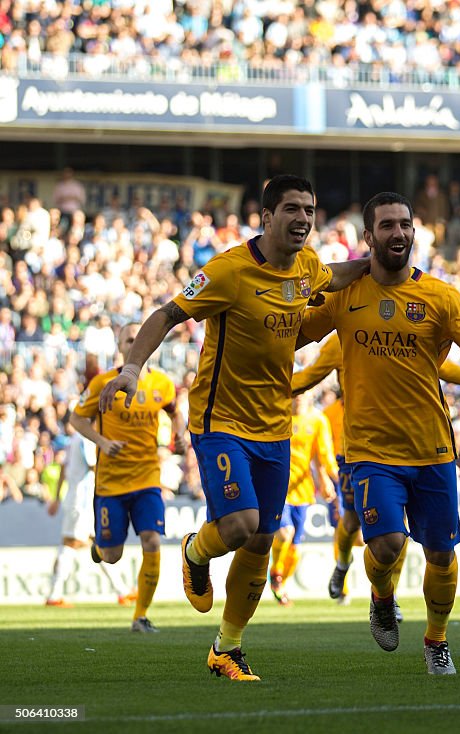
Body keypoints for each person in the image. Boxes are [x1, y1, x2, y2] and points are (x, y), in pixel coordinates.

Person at [98, 174, 370, 681]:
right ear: (266, 217)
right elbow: (166, 314)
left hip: (275, 425)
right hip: (220, 418)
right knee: (243, 523)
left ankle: (227, 648)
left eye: (309, 210)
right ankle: (195, 549)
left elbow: (332, 274)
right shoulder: (227, 271)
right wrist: (133, 369)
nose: (303, 219)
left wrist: (376, 264)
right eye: (292, 209)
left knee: (262, 540)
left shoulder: (307, 266)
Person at [297, 191, 460, 675]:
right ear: (367, 237)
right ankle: (381, 597)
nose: (399, 233)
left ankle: (436, 640)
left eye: (405, 225)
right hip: (371, 450)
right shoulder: (343, 295)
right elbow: (293, 334)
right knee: (387, 545)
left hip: (433, 449)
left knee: (440, 552)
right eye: (388, 225)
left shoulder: (440, 296)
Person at [291, 332, 460, 606]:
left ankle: (389, 596)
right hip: (356, 445)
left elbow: (439, 367)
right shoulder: (340, 339)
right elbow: (308, 377)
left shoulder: (394, 330)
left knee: (398, 528)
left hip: (402, 445)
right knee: (353, 519)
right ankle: (342, 565)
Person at [70, 323, 184, 632]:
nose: (135, 343)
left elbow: (175, 414)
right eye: (129, 339)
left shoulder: (163, 384)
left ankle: (140, 616)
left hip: (148, 476)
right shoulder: (103, 383)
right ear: (120, 346)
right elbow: (76, 418)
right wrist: (103, 443)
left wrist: (172, 442)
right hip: (111, 481)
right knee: (112, 556)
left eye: (138, 338)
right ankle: (99, 547)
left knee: (152, 540)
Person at [44, 427, 136, 608]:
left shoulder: (73, 440)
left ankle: (122, 591)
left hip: (77, 499)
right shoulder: (85, 439)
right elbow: (95, 464)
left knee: (99, 543)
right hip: (82, 501)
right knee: (71, 543)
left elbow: (64, 468)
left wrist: (56, 497)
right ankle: (54, 595)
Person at [269, 393, 338, 606]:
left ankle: (281, 583)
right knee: (285, 532)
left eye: (302, 392)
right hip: (277, 488)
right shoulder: (277, 417)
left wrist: (331, 479)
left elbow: (323, 456)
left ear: (310, 394)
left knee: (295, 548)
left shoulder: (317, 420)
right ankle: (275, 574)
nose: (298, 397)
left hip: (303, 490)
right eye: (294, 393)